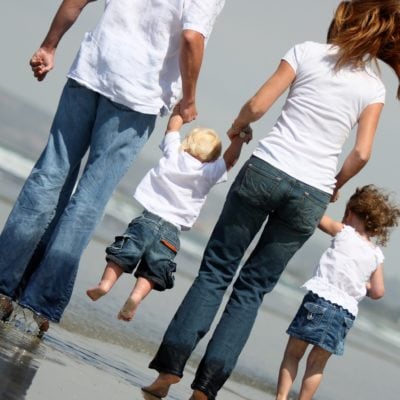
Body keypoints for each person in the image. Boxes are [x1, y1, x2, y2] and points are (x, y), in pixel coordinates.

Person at [144, 1, 400, 399]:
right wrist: (336, 182)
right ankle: (205, 391)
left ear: (344, 18)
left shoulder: (306, 52)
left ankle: (167, 375)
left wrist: (239, 125)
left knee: (215, 273)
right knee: (251, 291)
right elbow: (362, 152)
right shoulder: (374, 87)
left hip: (265, 171)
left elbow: (259, 105)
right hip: (310, 193)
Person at [0, 0, 226, 335]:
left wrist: (49, 45)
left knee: (49, 174)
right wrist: (189, 98)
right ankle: (40, 301)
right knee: (89, 199)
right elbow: (193, 37)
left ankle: (4, 284)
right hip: (137, 95)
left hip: (92, 69)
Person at [86, 105, 251, 321]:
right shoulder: (209, 172)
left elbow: (172, 129)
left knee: (122, 254)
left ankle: (105, 284)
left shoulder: (174, 152)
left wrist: (179, 110)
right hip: (171, 233)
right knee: (153, 270)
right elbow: (230, 160)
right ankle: (135, 297)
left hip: (146, 220)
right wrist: (238, 138)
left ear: (187, 143)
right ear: (213, 157)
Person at [275, 185, 400, 400]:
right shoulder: (376, 255)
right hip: (344, 313)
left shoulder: (344, 232)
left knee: (293, 353)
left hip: (319, 300)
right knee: (317, 364)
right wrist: (364, 288)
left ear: (350, 212)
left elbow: (317, 217)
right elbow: (378, 291)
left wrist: (326, 198)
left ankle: (281, 397)